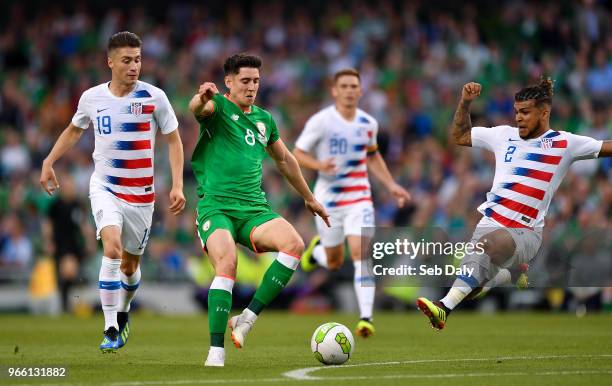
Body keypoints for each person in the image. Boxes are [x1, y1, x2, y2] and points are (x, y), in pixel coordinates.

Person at [417, 78, 611, 330]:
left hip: (525, 232)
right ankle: (508, 276)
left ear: (544, 112)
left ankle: (442, 308)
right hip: (489, 223)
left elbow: (605, 147)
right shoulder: (503, 135)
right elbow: (460, 135)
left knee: (486, 249)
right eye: (517, 112)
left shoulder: (565, 143)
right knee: (472, 287)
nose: (519, 118)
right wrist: (465, 103)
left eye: (525, 112)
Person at [40, 31, 185, 352]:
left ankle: (124, 311)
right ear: (110, 62)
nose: (134, 66)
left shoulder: (154, 97)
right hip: (106, 187)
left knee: (130, 268)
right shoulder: (92, 98)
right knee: (112, 248)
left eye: (138, 60)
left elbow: (174, 140)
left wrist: (177, 184)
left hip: (142, 195)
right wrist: (49, 160)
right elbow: (74, 130)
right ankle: (108, 327)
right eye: (127, 60)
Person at [189, 53, 330, 367]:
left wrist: (309, 197)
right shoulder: (218, 107)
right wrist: (201, 97)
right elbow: (198, 109)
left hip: (254, 208)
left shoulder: (265, 119)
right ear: (229, 82)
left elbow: (284, 160)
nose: (251, 86)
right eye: (245, 81)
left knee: (294, 244)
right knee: (227, 264)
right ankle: (216, 352)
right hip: (217, 208)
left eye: (255, 81)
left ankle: (247, 319)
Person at [293, 68, 410, 338]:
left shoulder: (368, 124)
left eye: (353, 86)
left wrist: (391, 184)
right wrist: (319, 164)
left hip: (360, 198)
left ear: (360, 90)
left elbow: (373, 156)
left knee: (360, 254)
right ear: (334, 90)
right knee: (334, 262)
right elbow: (297, 153)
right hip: (328, 200)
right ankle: (316, 254)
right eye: (343, 86)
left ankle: (366, 318)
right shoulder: (321, 121)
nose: (348, 90)